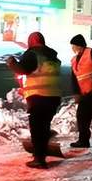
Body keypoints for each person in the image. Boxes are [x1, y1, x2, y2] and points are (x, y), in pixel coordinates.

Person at [6, 32, 61, 169]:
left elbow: (23, 69)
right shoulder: (52, 56)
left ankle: (39, 159)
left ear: (31, 41)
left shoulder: (32, 54)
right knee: (43, 125)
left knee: (37, 128)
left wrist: (12, 63)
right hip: (53, 96)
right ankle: (42, 148)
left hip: (38, 96)